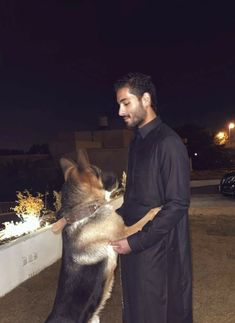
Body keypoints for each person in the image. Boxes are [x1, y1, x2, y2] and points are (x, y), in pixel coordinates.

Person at [111, 72, 192, 323]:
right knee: (136, 310)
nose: (120, 112)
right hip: (135, 244)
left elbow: (177, 204)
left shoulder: (168, 143)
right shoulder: (137, 143)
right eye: (119, 105)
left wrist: (135, 243)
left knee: (157, 312)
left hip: (159, 251)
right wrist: (108, 223)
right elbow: (133, 199)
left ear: (145, 99)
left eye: (126, 103)